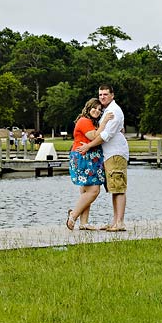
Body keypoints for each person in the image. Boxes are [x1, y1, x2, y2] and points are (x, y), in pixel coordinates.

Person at [79, 84, 129, 232]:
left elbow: (105, 136)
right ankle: (115, 222)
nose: (102, 97)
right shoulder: (106, 111)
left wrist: (88, 146)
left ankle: (119, 223)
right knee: (113, 188)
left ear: (112, 95)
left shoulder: (114, 111)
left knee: (118, 188)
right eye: (100, 94)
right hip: (108, 155)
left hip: (115, 153)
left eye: (105, 94)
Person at [65, 98, 113, 231]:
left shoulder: (92, 122)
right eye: (94, 108)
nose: (97, 111)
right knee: (93, 191)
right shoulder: (84, 121)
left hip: (92, 157)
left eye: (99, 109)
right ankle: (73, 215)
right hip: (84, 157)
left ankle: (84, 223)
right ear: (88, 107)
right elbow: (94, 136)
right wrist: (105, 121)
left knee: (86, 191)